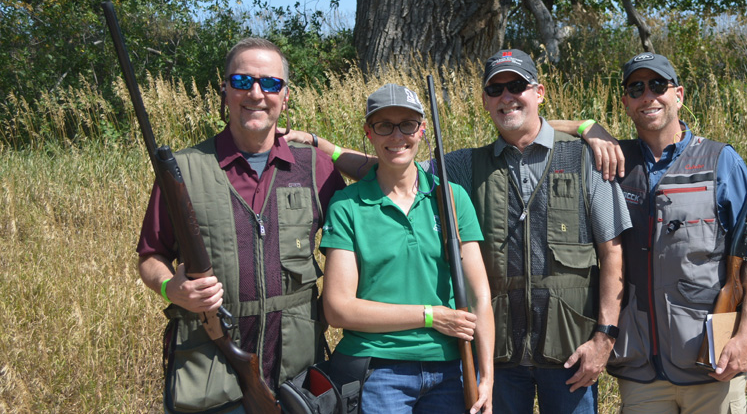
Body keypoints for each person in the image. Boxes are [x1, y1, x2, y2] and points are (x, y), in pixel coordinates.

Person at [290, 49, 631, 414]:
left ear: (540, 92)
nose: (506, 96)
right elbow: (393, 162)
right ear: (485, 100)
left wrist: (605, 337)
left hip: (570, 349)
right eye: (495, 89)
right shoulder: (463, 165)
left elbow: (613, 252)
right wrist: (322, 146)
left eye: (516, 85)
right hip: (501, 355)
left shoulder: (587, 157)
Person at [136, 38, 346, 413]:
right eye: (241, 81)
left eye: (269, 84)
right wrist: (172, 288)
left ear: (284, 96)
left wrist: (325, 145)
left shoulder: (317, 167)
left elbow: (391, 171)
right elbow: (151, 256)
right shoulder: (183, 171)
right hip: (208, 372)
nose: (255, 93)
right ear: (224, 90)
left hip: (297, 375)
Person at [602, 52, 747, 413]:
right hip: (642, 371)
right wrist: (586, 127)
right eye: (636, 88)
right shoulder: (613, 161)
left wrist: (746, 336)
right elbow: (528, 129)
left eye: (658, 85)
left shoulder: (720, 160)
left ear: (678, 94)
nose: (648, 96)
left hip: (712, 365)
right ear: (625, 102)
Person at [319, 83, 495, 414]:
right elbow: (338, 308)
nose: (397, 136)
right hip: (377, 369)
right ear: (369, 133)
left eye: (407, 125)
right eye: (385, 125)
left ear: (422, 130)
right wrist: (430, 316)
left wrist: (487, 376)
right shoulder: (347, 205)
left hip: (450, 370)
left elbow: (480, 297)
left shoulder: (453, 199)